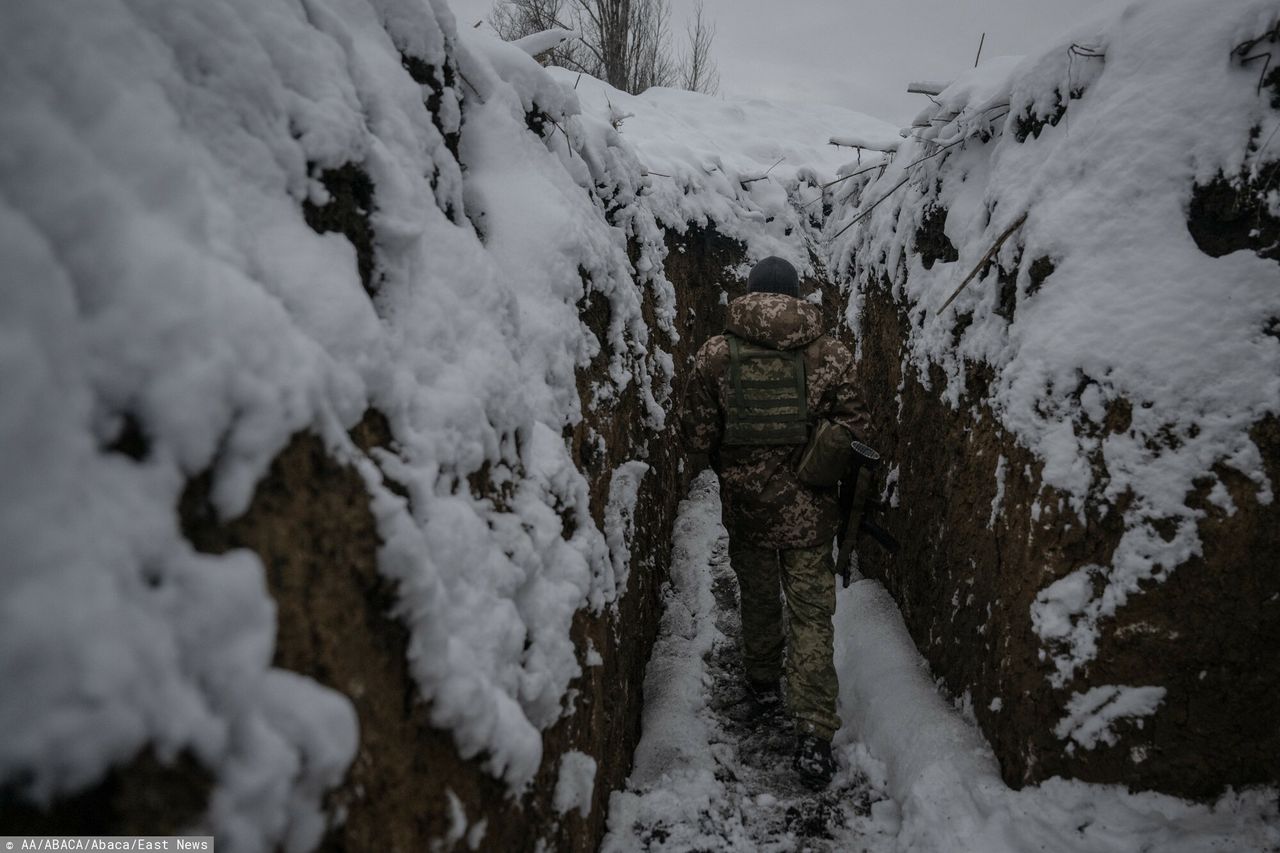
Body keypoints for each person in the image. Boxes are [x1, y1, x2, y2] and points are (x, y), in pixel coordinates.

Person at [680, 256, 871, 787]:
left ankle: (762, 684)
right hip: (812, 511)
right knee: (812, 615)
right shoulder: (830, 353)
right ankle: (814, 733)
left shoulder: (716, 354)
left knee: (760, 597)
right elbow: (857, 427)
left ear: (748, 293)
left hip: (747, 509)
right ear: (795, 295)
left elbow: (696, 436)